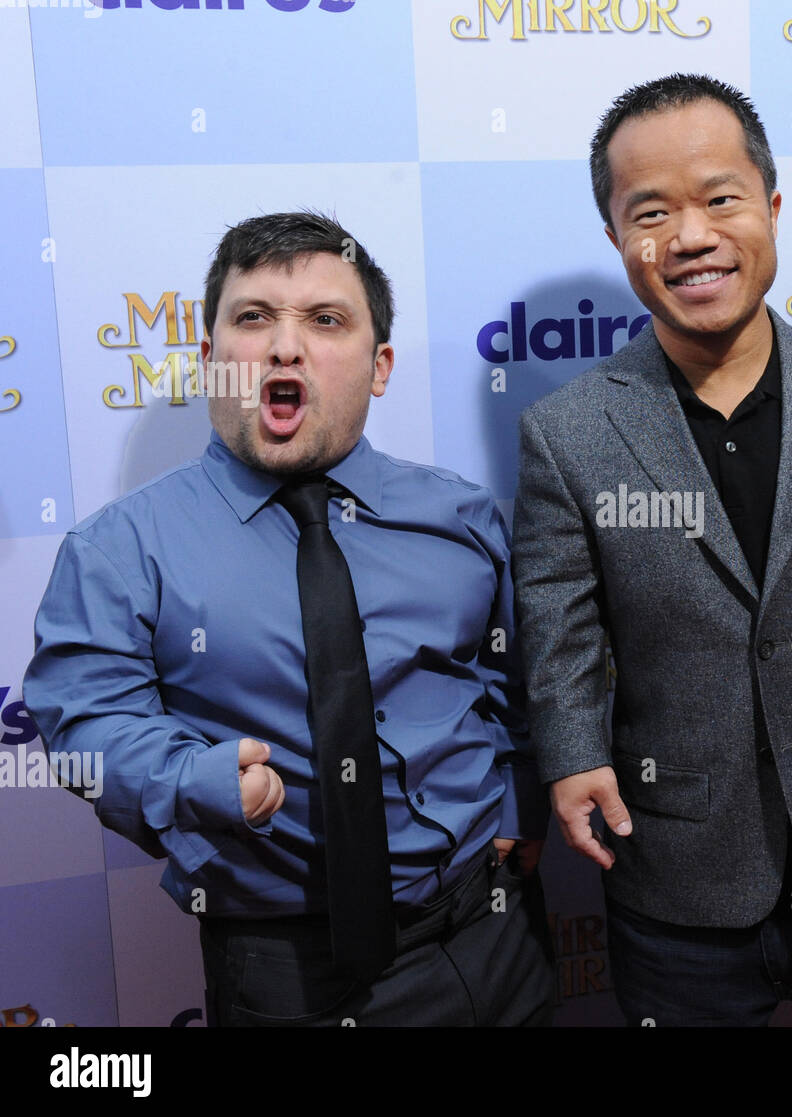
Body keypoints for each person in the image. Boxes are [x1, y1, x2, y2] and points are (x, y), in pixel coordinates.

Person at [512, 73, 792, 1027]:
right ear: (615, 240)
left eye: (720, 198)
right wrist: (567, 752)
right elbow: (559, 618)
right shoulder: (568, 433)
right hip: (675, 871)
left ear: (770, 202)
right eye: (652, 212)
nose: (689, 235)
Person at [23, 211, 553, 1027]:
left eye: (325, 320)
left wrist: (519, 803)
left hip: (488, 938)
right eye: (253, 317)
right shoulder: (118, 548)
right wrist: (196, 779)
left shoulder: (460, 517)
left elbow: (511, 681)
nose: (283, 347)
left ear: (379, 367)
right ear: (210, 360)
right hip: (281, 969)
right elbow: (87, 723)